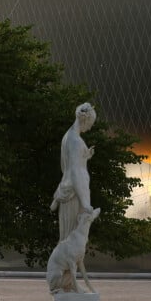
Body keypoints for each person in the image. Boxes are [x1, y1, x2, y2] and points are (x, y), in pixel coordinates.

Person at [51, 102, 97, 240]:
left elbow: (71, 165)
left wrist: (85, 157)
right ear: (85, 120)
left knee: (71, 238)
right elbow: (75, 172)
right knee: (72, 238)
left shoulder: (69, 136)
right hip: (75, 193)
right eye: (91, 123)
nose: (90, 127)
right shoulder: (75, 141)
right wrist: (84, 202)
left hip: (72, 190)